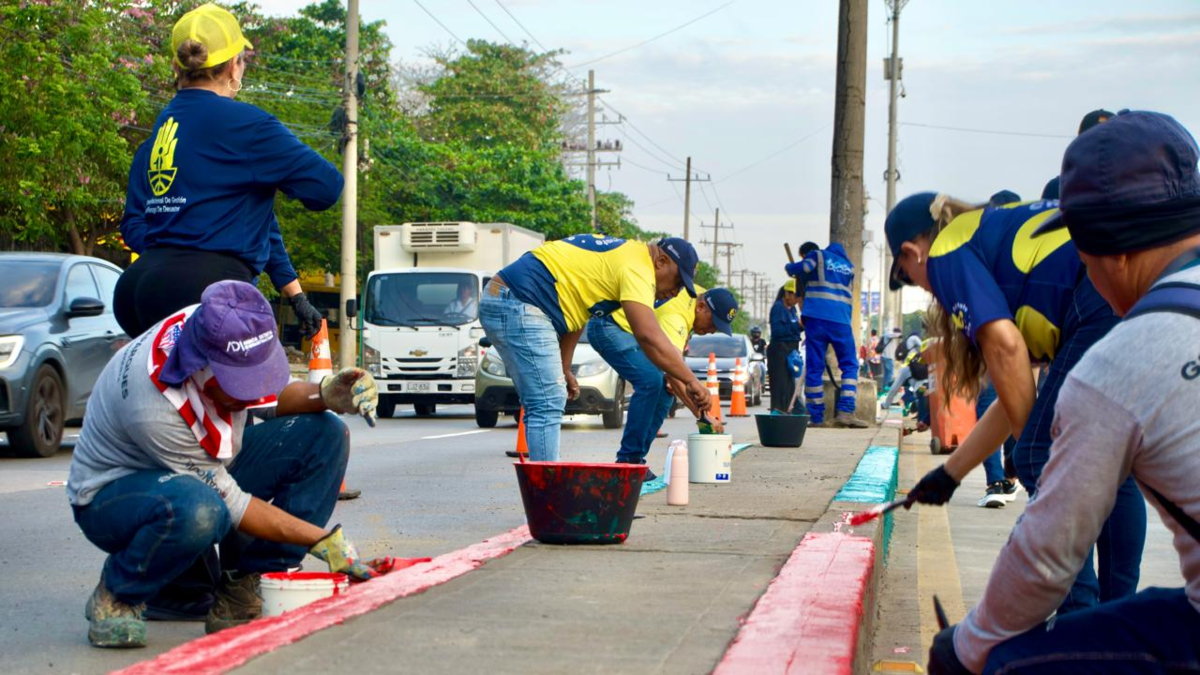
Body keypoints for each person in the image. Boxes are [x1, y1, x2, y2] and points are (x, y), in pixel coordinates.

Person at [928, 110, 1200, 675]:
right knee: (1137, 605)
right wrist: (952, 473)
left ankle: (1078, 614)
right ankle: (1101, 605)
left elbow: (1044, 558)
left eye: (1080, 252)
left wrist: (965, 648)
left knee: (1010, 661)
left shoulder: (1124, 360)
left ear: (1113, 249)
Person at [67, 281, 382, 648]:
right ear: (200, 367)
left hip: (197, 475)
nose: (250, 393)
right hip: (116, 498)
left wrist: (326, 394)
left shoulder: (214, 328)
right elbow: (231, 504)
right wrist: (323, 541)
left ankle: (245, 582)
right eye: (239, 385)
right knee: (201, 511)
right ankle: (118, 592)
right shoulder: (154, 406)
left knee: (326, 433)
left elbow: (270, 396)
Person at [886, 188, 1146, 611]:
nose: (925, 289)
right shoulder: (993, 238)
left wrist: (1034, 448)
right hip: (1132, 285)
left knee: (1039, 452)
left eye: (909, 277)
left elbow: (1006, 347)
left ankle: (1078, 616)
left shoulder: (948, 252)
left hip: (1098, 294)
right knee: (1113, 458)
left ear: (912, 252)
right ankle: (1118, 618)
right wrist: (950, 475)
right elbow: (1012, 399)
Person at [116, 3, 342, 339]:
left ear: (176, 65)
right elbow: (326, 187)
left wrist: (294, 293)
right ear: (235, 67)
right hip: (210, 294)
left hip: (137, 289)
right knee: (256, 390)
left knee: (166, 391)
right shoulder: (250, 127)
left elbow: (133, 224)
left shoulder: (158, 137)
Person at [481, 235, 711, 462]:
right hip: (518, 300)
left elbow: (578, 311)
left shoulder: (628, 257)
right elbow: (648, 335)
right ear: (661, 262)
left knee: (544, 401)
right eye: (678, 282)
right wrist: (692, 381)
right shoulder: (637, 268)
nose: (676, 292)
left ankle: (545, 487)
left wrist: (564, 367)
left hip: (512, 299)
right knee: (547, 401)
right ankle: (549, 490)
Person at [588, 287, 739, 475]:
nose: (712, 330)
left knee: (666, 392)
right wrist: (703, 417)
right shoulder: (676, 317)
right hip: (609, 326)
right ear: (701, 307)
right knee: (650, 381)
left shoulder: (698, 295)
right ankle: (627, 464)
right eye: (713, 323)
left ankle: (636, 460)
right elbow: (672, 369)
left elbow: (672, 371)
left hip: (635, 334)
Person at [786, 242, 868, 428]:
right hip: (841, 321)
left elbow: (803, 267)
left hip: (816, 319)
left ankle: (816, 417)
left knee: (815, 366)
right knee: (850, 365)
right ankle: (846, 412)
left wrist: (790, 267)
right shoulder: (849, 267)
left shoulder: (818, 256)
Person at [1040, 108, 1114, 200]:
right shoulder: (1056, 187)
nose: (1102, 146)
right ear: (1080, 143)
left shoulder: (1134, 186)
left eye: (1110, 140)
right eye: (1093, 139)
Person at [767, 280, 801, 412]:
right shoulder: (778, 308)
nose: (796, 300)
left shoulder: (792, 310)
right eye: (795, 296)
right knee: (780, 388)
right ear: (787, 293)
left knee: (789, 389)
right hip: (779, 351)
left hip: (791, 351)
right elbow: (778, 331)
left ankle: (788, 414)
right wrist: (797, 326)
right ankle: (777, 415)